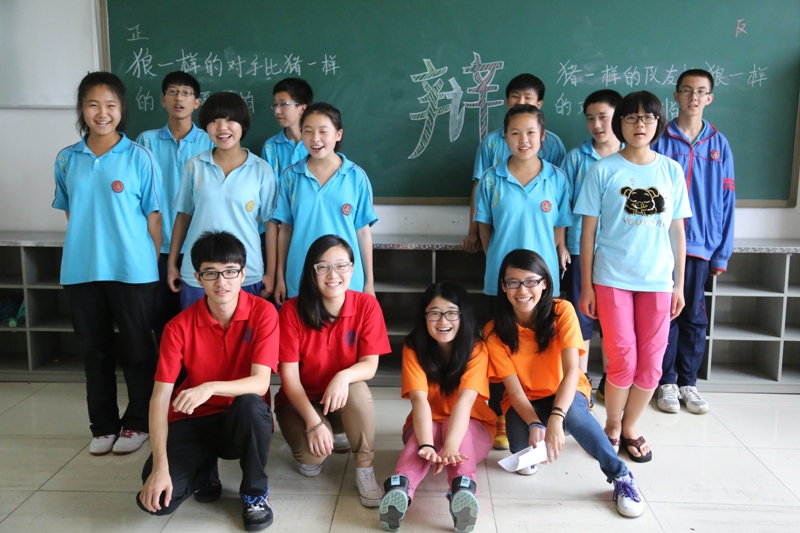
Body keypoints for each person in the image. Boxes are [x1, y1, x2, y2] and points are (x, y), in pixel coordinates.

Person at [575, 91, 691, 463]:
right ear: (620, 123)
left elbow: (677, 231)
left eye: (648, 118)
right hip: (612, 279)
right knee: (622, 358)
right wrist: (587, 285)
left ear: (658, 123)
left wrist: (679, 284)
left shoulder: (671, 170)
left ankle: (631, 426)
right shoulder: (602, 170)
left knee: (652, 363)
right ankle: (612, 425)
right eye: (631, 117)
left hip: (657, 281)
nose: (640, 125)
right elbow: (587, 233)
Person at [485, 249, 644, 518]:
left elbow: (572, 371)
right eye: (513, 282)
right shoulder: (494, 330)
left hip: (565, 390)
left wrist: (557, 417)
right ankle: (550, 425)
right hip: (525, 399)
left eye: (531, 281)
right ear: (503, 286)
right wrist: (535, 424)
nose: (522, 290)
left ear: (545, 283)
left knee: (573, 416)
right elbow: (514, 391)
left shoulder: (562, 311)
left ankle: (621, 477)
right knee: (520, 451)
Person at [136, 231, 278, 531]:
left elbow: (260, 383)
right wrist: (160, 466)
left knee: (251, 405)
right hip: (193, 420)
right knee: (158, 502)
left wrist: (210, 387)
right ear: (198, 279)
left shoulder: (263, 313)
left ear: (243, 274)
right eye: (211, 273)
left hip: (240, 420)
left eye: (230, 272)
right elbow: (160, 398)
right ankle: (205, 470)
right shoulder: (178, 327)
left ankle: (255, 493)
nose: (221, 282)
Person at [53, 71, 162, 456]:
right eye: (93, 105)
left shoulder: (139, 156)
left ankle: (137, 423)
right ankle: (102, 426)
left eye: (110, 105)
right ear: (82, 109)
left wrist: (147, 265)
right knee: (95, 353)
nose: (102, 113)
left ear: (122, 109)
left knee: (137, 351)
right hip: (82, 271)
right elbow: (72, 213)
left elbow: (154, 219)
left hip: (132, 271)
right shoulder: (67, 159)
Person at [473, 103, 571, 450]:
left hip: (543, 285)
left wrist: (553, 255)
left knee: (542, 350)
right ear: (505, 137)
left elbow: (559, 228)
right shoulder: (491, 179)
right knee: (500, 349)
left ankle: (544, 411)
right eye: (515, 133)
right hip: (501, 283)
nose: (523, 139)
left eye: (531, 132)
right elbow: (485, 227)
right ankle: (500, 415)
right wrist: (496, 261)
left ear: (543, 136)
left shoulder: (557, 178)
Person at [275, 235, 391, 507]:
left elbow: (370, 365)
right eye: (323, 267)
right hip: (301, 401)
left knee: (357, 388)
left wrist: (343, 376)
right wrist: (313, 423)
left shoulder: (366, 305)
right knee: (312, 458)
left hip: (341, 398)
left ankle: (364, 468)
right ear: (311, 271)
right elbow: (289, 377)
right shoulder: (291, 311)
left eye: (341, 265)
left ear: (352, 269)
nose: (333, 275)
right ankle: (324, 431)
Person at [379, 282, 496, 533]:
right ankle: (400, 489)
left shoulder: (476, 348)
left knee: (452, 427)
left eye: (452, 313)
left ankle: (462, 490)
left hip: (472, 432)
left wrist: (451, 445)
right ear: (424, 317)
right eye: (434, 313)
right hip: (424, 430)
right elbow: (419, 400)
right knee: (432, 427)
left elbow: (465, 401)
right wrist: (427, 444)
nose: (443, 321)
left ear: (463, 315)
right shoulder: (414, 347)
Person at [653, 69, 735, 415]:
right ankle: (666, 381)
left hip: (700, 244)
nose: (693, 97)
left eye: (701, 92)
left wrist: (722, 253)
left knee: (694, 314)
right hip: (661, 243)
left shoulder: (719, 144)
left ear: (709, 98)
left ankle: (689, 382)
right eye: (687, 90)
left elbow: (727, 201)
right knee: (665, 313)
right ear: (675, 95)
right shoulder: (659, 139)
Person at [167, 92, 278, 308]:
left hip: (246, 273)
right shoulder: (195, 166)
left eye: (230, 120)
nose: (222, 128)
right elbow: (183, 217)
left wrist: (271, 273)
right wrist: (172, 264)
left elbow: (271, 224)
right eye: (214, 121)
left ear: (242, 124)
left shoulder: (260, 169)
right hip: (199, 273)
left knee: (245, 330)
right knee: (197, 329)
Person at [136, 71, 214, 344]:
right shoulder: (146, 142)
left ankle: (194, 368)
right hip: (157, 245)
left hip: (199, 245)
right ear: (163, 99)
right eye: (172, 92)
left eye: (186, 93)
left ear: (197, 102)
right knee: (160, 314)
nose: (179, 98)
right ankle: (167, 367)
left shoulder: (210, 142)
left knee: (199, 317)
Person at [272, 103, 377, 304]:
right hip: (300, 276)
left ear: (338, 134)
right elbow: (285, 230)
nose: (315, 138)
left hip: (345, 280)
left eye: (323, 131)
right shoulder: (290, 177)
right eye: (308, 131)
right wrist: (280, 277)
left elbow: (363, 233)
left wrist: (369, 283)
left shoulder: (356, 177)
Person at [462, 73, 567, 254]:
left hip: (541, 239)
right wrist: (473, 233)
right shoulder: (491, 144)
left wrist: (558, 247)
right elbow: (479, 189)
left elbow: (561, 203)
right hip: (502, 235)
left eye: (528, 98)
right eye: (516, 97)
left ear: (539, 104)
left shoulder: (553, 145)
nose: (521, 102)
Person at [561, 89, 622, 395]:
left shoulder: (632, 156)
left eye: (603, 117)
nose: (596, 125)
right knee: (581, 314)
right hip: (579, 248)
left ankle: (611, 382)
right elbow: (563, 203)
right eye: (590, 118)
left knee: (614, 318)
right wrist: (562, 245)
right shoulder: (575, 158)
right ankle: (581, 383)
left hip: (618, 252)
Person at [260, 77, 313, 178]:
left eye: (283, 104)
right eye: (275, 105)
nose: (277, 111)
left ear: (302, 108)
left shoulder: (316, 143)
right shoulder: (270, 147)